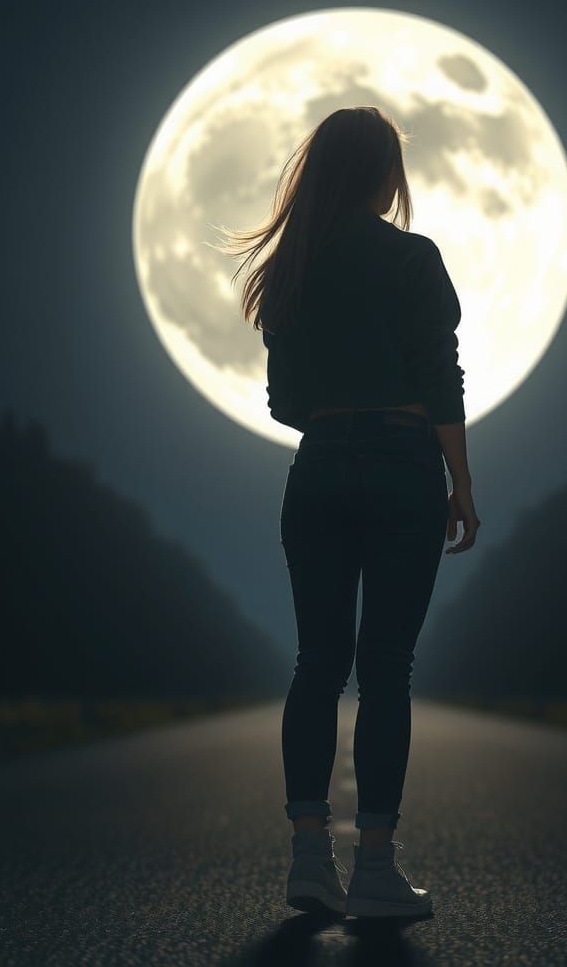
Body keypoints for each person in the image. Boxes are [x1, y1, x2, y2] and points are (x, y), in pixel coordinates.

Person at [218, 106, 480, 919]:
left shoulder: (290, 269)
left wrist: (339, 411)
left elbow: (283, 403)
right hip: (404, 463)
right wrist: (460, 484)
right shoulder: (412, 258)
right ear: (385, 174)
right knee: (386, 668)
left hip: (320, 466)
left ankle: (307, 860)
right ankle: (373, 868)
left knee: (317, 663)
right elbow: (442, 379)